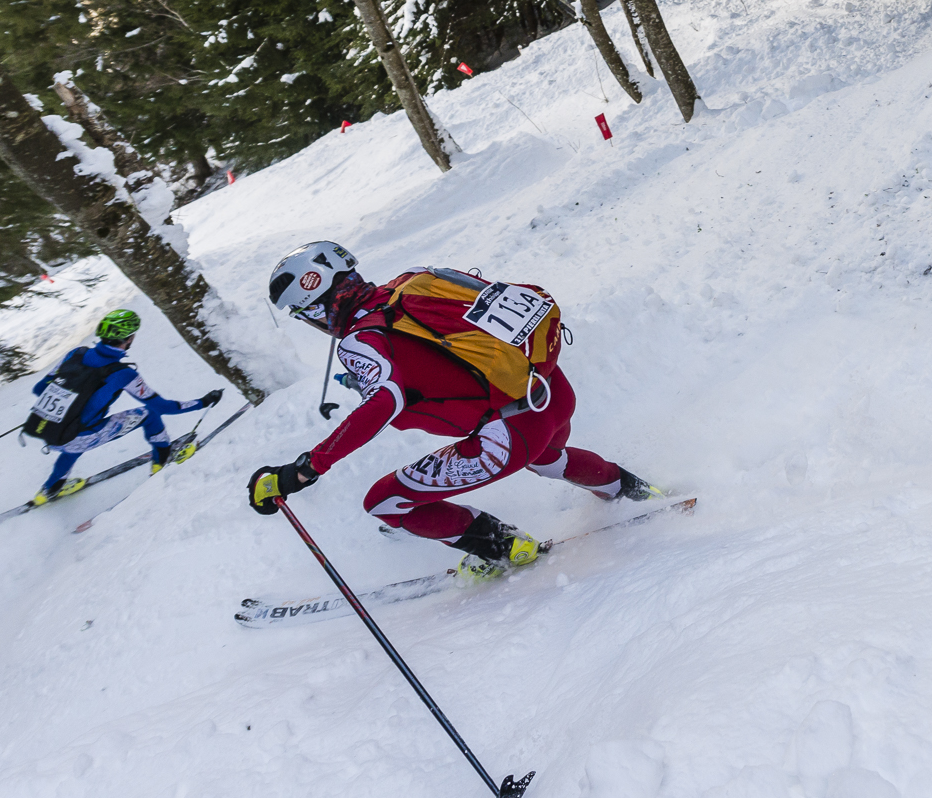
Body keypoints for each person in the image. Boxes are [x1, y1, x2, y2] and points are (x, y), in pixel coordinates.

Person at [246, 243, 664, 577]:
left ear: (319, 305)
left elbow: (384, 402)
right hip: (549, 392)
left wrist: (306, 468)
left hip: (509, 432)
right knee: (547, 459)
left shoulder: (360, 340)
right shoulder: (411, 282)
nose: (312, 323)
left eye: (306, 315)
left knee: (385, 502)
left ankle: (504, 548)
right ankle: (634, 491)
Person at [26, 309, 222, 506]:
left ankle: (49, 490)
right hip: (80, 436)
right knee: (150, 414)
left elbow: (39, 388)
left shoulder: (75, 354)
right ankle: (163, 460)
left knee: (76, 437)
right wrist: (203, 402)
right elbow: (163, 407)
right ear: (128, 339)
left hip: (50, 431)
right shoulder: (123, 373)